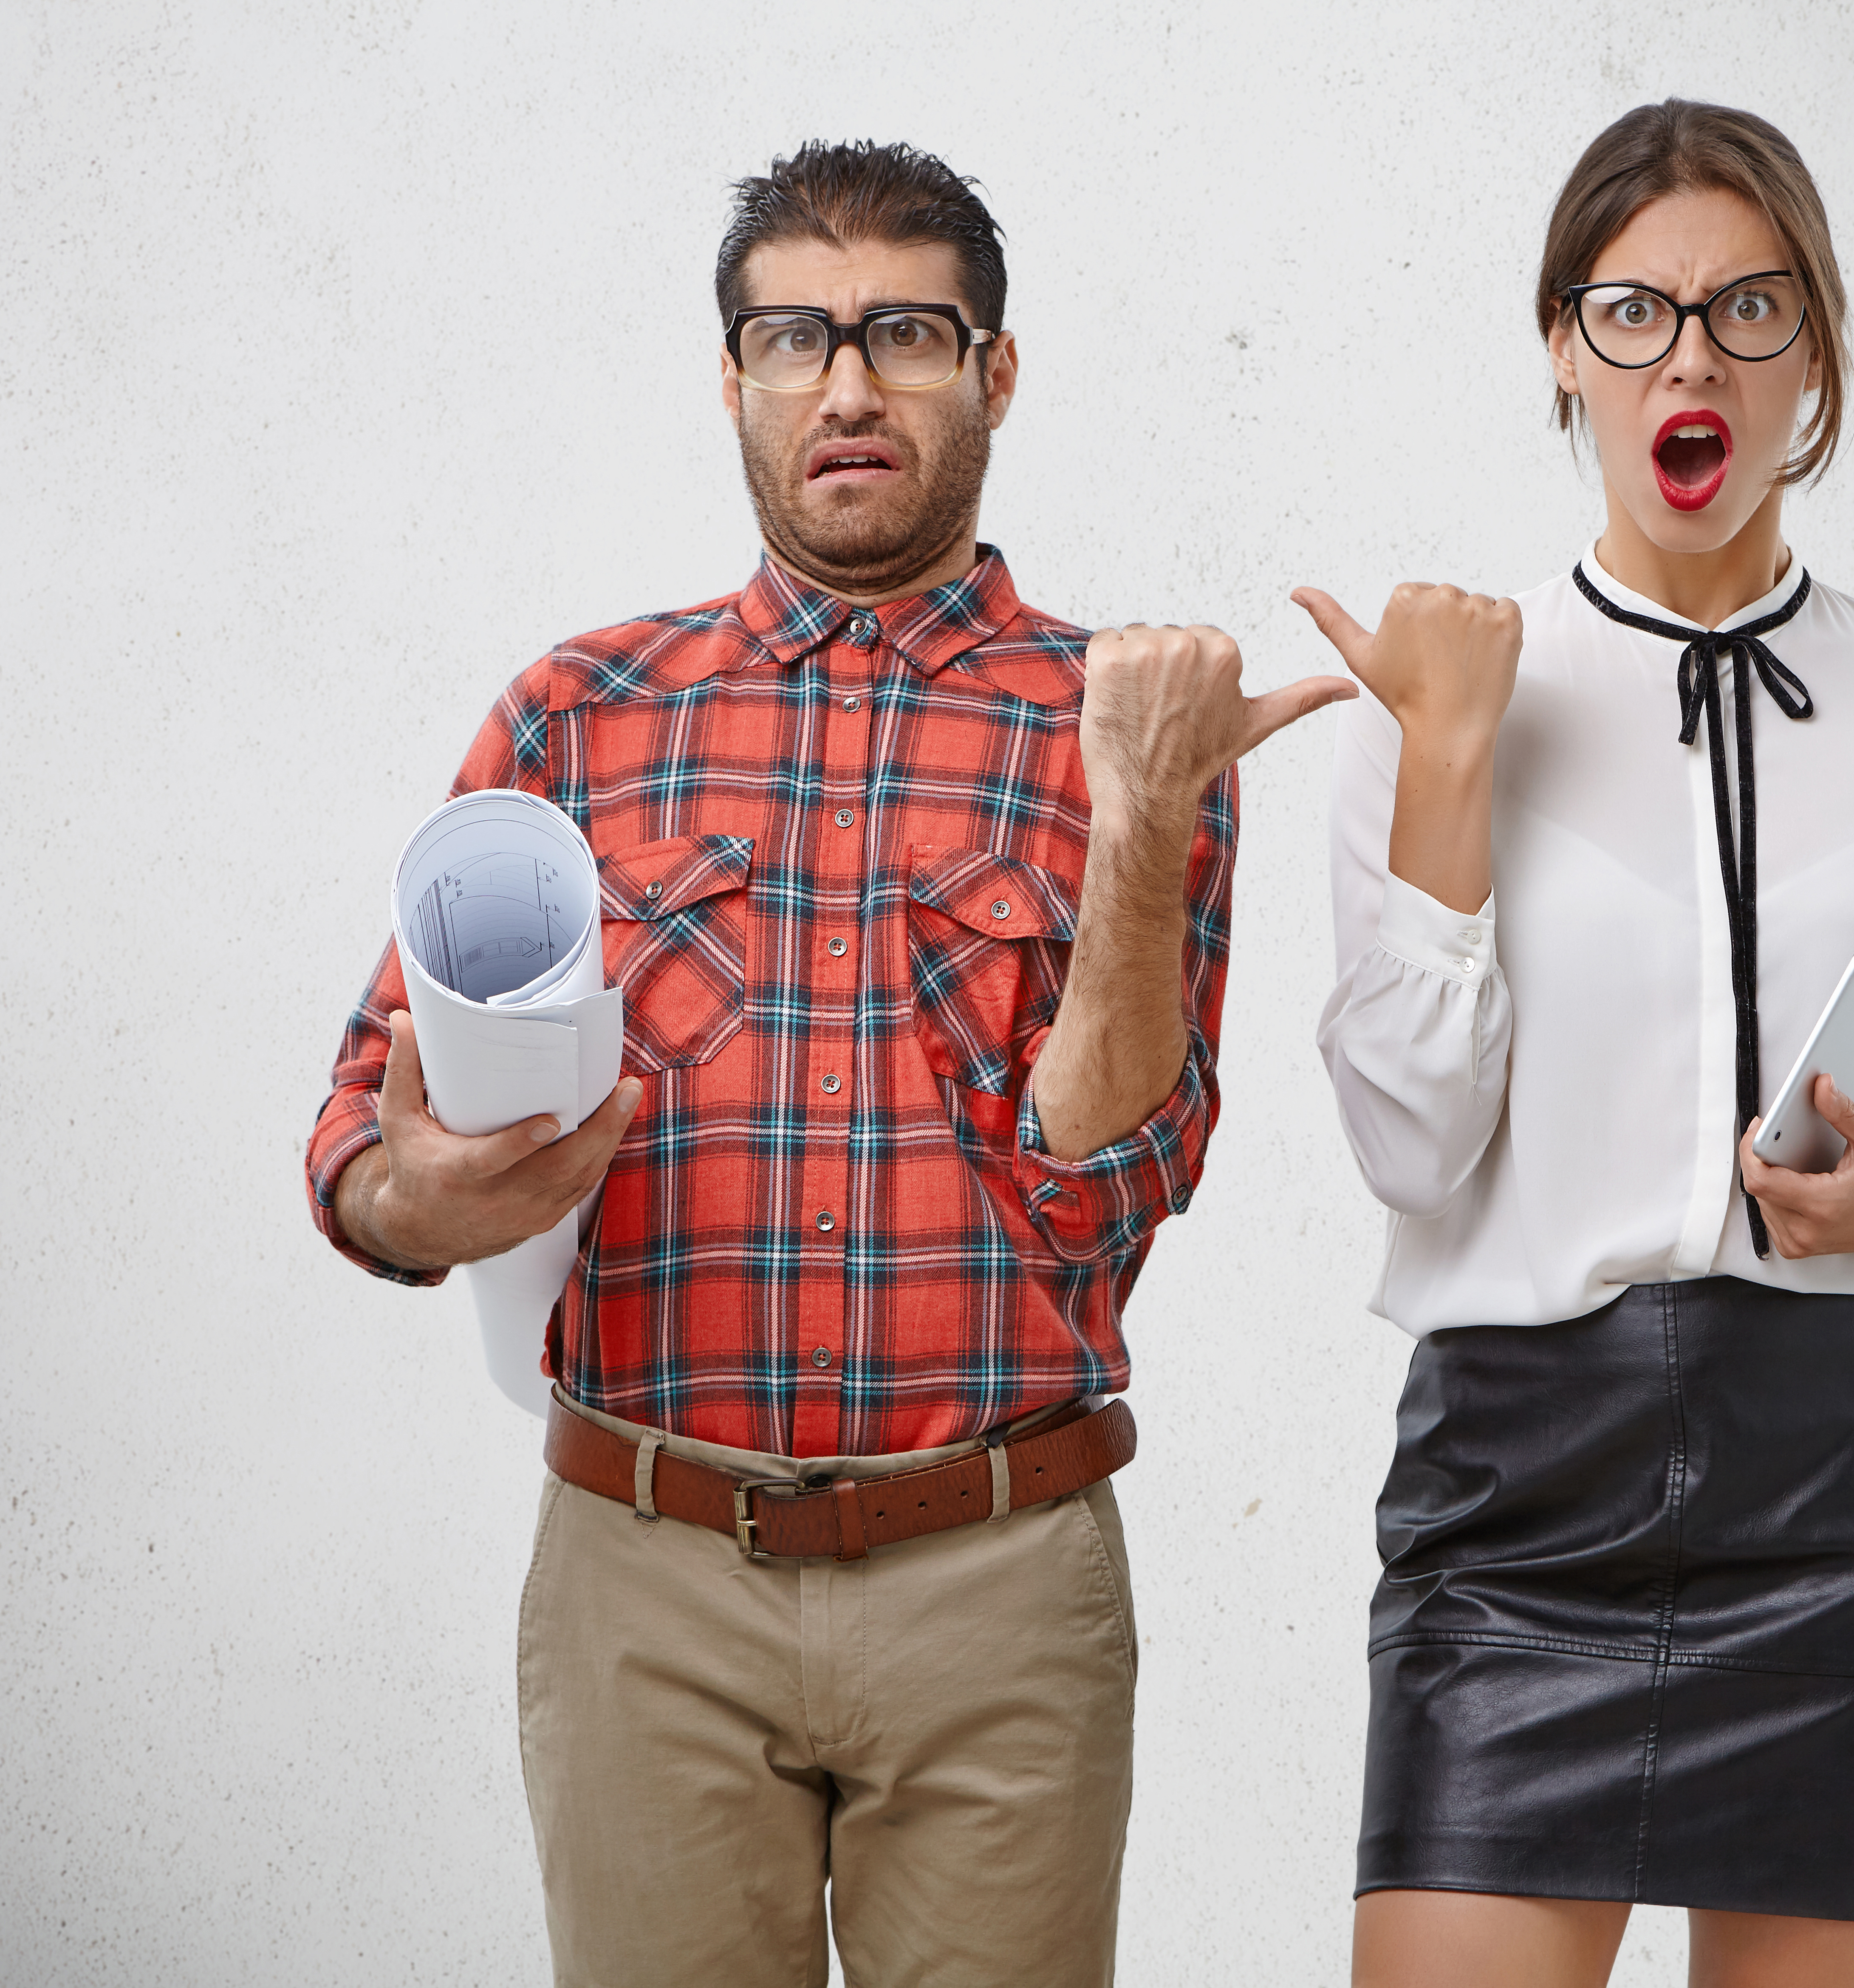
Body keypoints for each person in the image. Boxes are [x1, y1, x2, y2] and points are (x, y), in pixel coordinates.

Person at [302, 140, 1348, 1988]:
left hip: (1000, 1583)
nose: (848, 385)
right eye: (794, 337)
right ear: (734, 380)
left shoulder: (1127, 720)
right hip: (649, 1578)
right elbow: (357, 1144)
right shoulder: (576, 716)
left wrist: (1142, 814)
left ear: (995, 373)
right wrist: (420, 1199)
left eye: (907, 334)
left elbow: (1119, 1180)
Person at [1299, 100, 1854, 1988]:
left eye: (1750, 310)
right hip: (1517, 1493)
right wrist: (1458, 756)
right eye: (1637, 312)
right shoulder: (1438, 697)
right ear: (1564, 348)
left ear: (1813, 349)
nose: (1693, 357)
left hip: (1845, 1487)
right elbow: (1413, 1156)